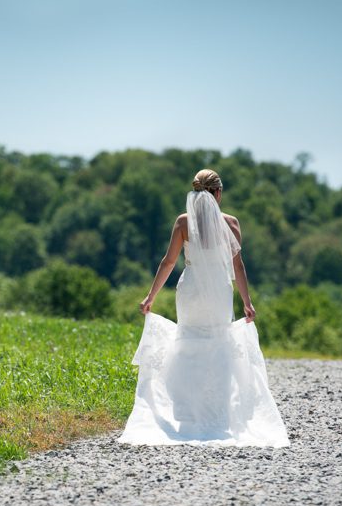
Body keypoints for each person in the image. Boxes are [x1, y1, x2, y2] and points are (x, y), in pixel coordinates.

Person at [116, 169, 290, 447]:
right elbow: (238, 266)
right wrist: (247, 301)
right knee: (218, 343)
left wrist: (151, 296)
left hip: (191, 290)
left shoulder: (183, 222)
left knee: (188, 342)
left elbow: (168, 262)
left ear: (196, 193)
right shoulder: (231, 224)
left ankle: (185, 411)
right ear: (218, 193)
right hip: (219, 292)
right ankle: (216, 414)